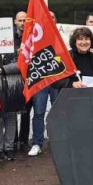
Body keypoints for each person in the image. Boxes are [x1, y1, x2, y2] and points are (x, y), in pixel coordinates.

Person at [28, 10, 60, 157]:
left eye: (52, 17)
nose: (50, 19)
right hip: (40, 80)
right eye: (47, 17)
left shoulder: (62, 36)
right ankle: (37, 143)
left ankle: (59, 141)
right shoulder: (36, 37)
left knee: (58, 112)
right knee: (39, 112)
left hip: (57, 80)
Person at [0, 38, 26, 164]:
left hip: (13, 87)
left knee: (11, 117)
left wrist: (3, 69)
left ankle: (9, 148)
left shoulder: (17, 47)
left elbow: (22, 63)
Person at [53, 27, 93, 95]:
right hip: (68, 99)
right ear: (74, 42)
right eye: (80, 39)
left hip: (90, 100)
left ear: (91, 41)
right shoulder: (64, 58)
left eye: (87, 39)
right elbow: (54, 80)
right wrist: (72, 84)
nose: (84, 42)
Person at [13, 11, 31, 152]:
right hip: (12, 78)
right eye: (20, 20)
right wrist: (16, 53)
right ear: (15, 22)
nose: (22, 23)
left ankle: (24, 139)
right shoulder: (9, 37)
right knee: (13, 110)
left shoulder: (33, 37)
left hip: (28, 77)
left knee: (26, 110)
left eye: (25, 20)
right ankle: (12, 140)